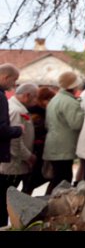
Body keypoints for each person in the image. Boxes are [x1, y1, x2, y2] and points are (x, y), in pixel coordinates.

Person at [43, 71, 85, 193]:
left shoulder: (55, 99)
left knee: (56, 180)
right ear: (74, 86)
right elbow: (76, 124)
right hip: (63, 148)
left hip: (53, 145)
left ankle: (46, 205)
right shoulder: (70, 102)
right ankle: (52, 208)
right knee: (63, 182)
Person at [0, 69, 32, 226]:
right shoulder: (2, 98)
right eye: (14, 80)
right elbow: (2, 129)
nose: (14, 85)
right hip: (8, 160)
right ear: (6, 77)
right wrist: (18, 130)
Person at [22, 86, 57, 195]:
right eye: (49, 100)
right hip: (36, 151)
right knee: (31, 181)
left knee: (31, 181)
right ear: (42, 99)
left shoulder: (33, 111)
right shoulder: (38, 114)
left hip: (35, 150)